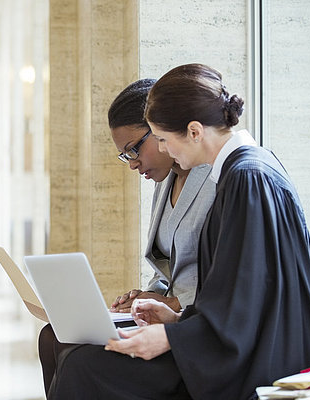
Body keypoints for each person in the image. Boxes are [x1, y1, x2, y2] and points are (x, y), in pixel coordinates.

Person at [48, 64, 310, 400]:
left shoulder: (247, 179)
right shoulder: (243, 172)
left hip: (256, 361)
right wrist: (178, 318)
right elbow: (234, 293)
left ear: (194, 131)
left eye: (163, 139)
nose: (164, 151)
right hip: (232, 345)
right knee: (78, 358)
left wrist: (171, 337)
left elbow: (245, 304)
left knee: (85, 367)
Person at [38, 78, 216, 395]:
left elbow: (225, 283)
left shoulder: (218, 180)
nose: (133, 163)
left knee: (81, 362)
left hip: (192, 331)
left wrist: (172, 303)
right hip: (165, 316)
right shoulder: (165, 180)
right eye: (125, 155)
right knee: (53, 335)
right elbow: (171, 266)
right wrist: (146, 297)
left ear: (161, 128)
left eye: (134, 149)